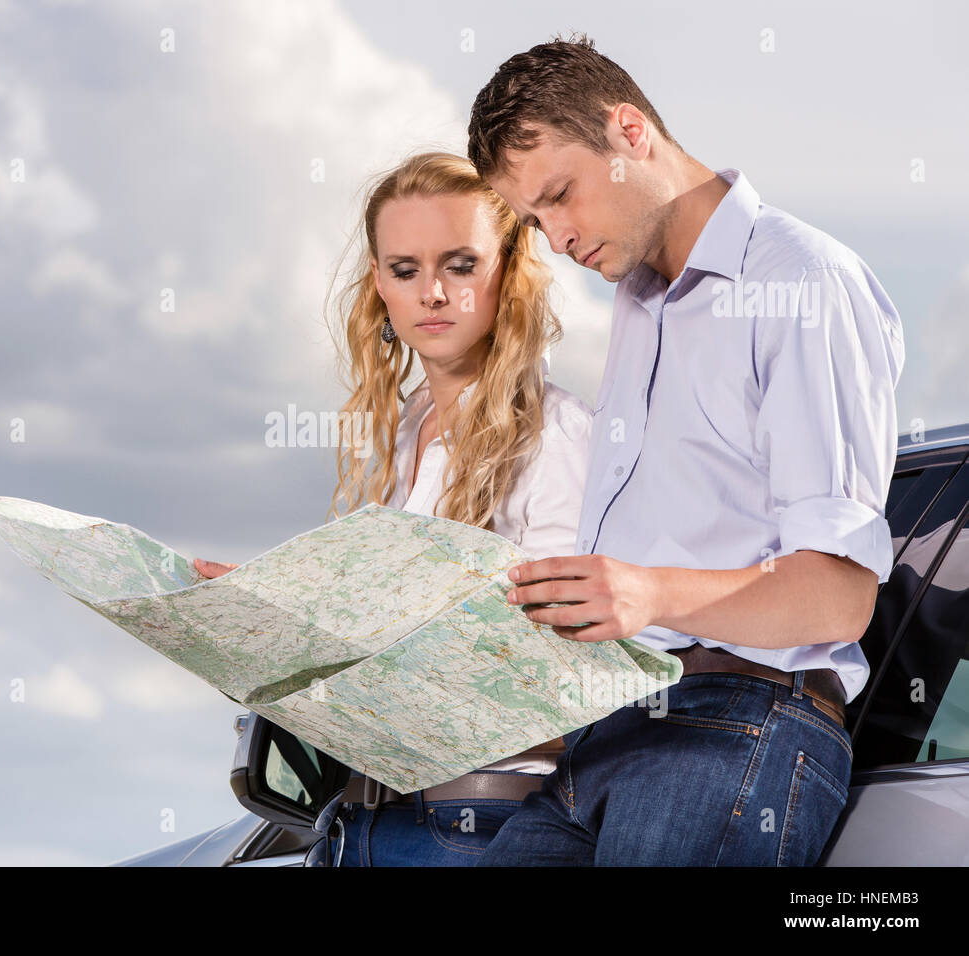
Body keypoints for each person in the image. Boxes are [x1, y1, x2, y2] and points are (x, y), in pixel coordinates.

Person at [464, 34, 904, 865]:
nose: (556, 238)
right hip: (606, 737)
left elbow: (839, 597)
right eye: (534, 219)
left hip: (738, 723)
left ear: (630, 131)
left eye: (562, 195)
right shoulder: (639, 303)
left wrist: (647, 593)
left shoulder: (801, 280)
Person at [194, 150, 593, 865]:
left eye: (461, 265)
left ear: (510, 268)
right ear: (379, 285)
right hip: (354, 823)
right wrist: (267, 621)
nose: (432, 293)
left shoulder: (558, 433)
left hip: (478, 820)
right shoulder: (409, 426)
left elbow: (570, 676)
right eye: (406, 270)